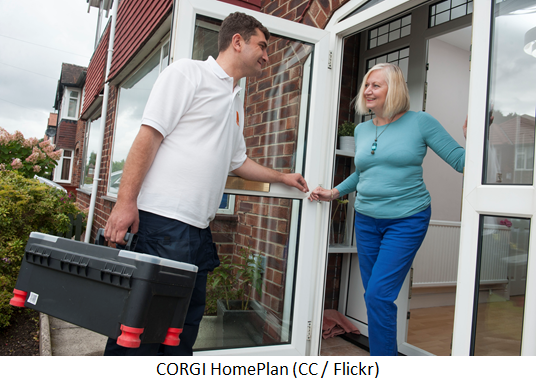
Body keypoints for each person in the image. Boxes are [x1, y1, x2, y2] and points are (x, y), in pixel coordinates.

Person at [103, 12, 309, 356]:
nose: (266, 55)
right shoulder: (188, 74)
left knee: (181, 333)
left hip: (197, 231)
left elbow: (237, 161)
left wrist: (281, 177)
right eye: (262, 45)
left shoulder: (236, 98)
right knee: (139, 333)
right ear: (237, 41)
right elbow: (148, 137)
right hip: (160, 224)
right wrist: (125, 203)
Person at [309, 63, 465, 356]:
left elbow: (460, 161)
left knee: (379, 294)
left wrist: (476, 137)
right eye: (366, 85)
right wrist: (334, 192)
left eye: (376, 85)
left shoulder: (420, 122)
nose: (368, 90)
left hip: (406, 220)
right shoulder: (363, 129)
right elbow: (364, 171)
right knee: (375, 297)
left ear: (393, 89)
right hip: (366, 220)